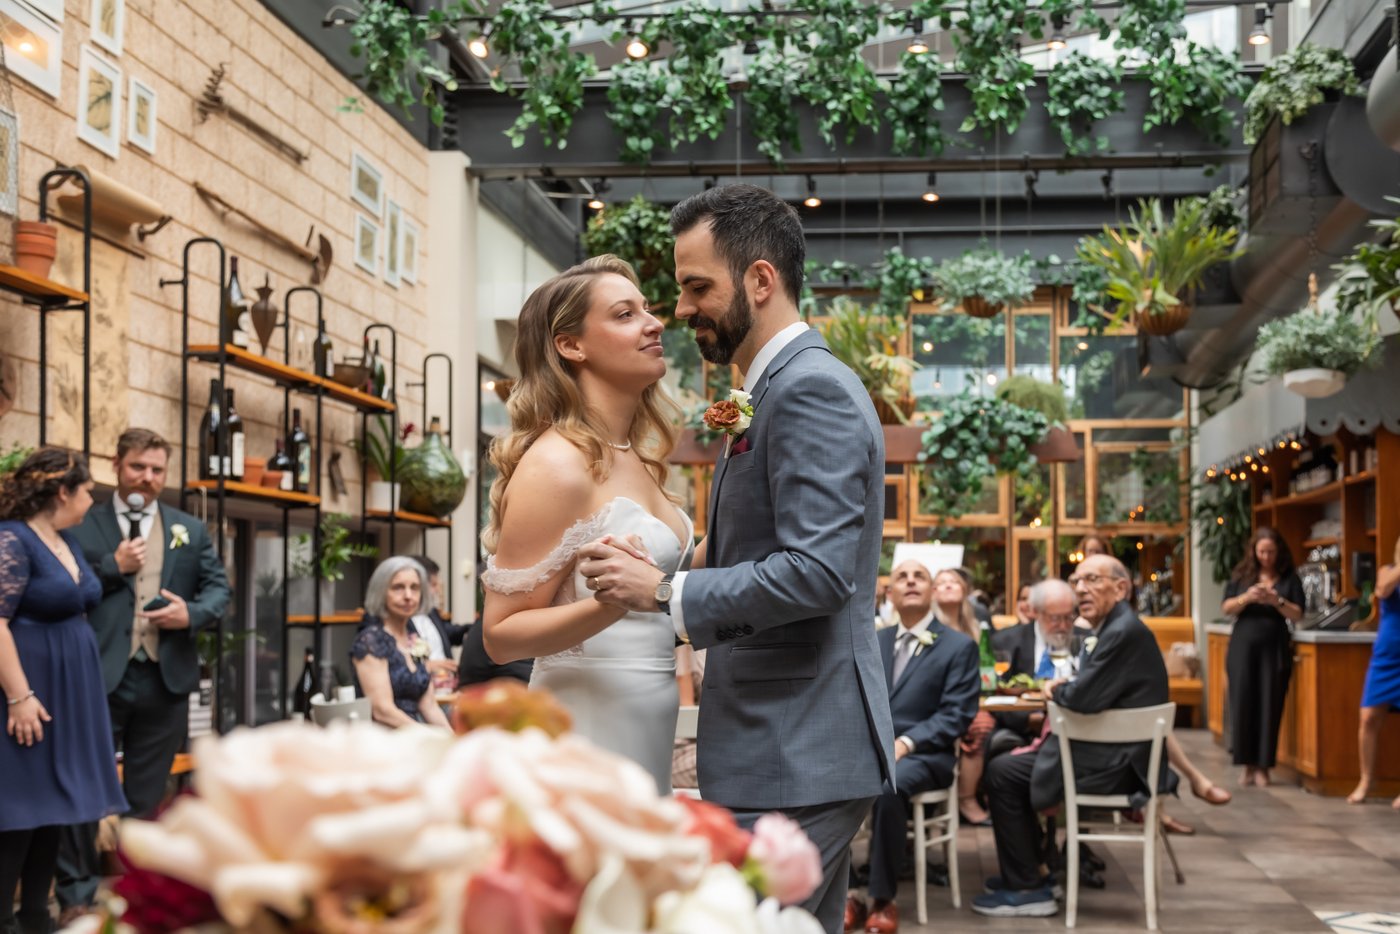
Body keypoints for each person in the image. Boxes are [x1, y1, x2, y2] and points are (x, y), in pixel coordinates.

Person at [577, 184, 895, 934]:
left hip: (796, 743)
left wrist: (665, 591)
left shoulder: (809, 388)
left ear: (760, 280)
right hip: (784, 739)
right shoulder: (767, 390)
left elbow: (818, 572)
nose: (679, 310)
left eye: (696, 288)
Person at [479, 254, 691, 793]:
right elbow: (500, 637)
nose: (654, 322)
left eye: (646, 310)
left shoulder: (635, 456)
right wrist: (606, 605)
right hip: (587, 734)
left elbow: (664, 581)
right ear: (571, 346)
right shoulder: (556, 464)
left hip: (646, 723)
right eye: (625, 314)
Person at [58, 429, 230, 920]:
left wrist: (190, 614)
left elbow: (219, 592)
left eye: (157, 470)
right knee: (82, 787)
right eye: (138, 467)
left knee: (147, 797)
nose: (148, 478)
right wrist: (112, 567)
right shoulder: (80, 523)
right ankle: (76, 896)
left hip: (165, 677)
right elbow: (60, 585)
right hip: (97, 675)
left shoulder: (187, 529)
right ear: (117, 465)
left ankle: (132, 899)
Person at [973, 555, 1178, 918]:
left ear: (1121, 588)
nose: (1081, 588)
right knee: (1008, 760)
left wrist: (1057, 690)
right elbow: (1092, 689)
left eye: (1093, 580)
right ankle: (1033, 871)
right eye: (1077, 580)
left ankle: (1028, 888)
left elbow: (1083, 698)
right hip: (1115, 755)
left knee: (1002, 772)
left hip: (1118, 766)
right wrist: (1069, 687)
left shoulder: (1122, 632)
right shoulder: (1117, 628)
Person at [0, 449, 126, 934]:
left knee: (55, 807)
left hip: (69, 693)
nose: (93, 498)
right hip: (29, 691)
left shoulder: (65, 541)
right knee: (19, 811)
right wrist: (19, 696)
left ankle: (37, 916)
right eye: (88, 489)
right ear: (62, 492)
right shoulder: (13, 539)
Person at [845, 559, 978, 934]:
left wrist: (906, 742)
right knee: (827, 779)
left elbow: (957, 715)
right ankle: (848, 893)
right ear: (890, 594)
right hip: (871, 751)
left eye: (919, 576)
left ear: (933, 591)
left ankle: (882, 901)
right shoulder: (873, 640)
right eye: (901, 577)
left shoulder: (959, 647)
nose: (910, 581)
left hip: (926, 754)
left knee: (890, 785)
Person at [1222, 527, 1303, 788]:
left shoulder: (1290, 577)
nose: (1266, 557)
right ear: (1254, 552)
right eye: (1261, 552)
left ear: (1278, 551)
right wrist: (1247, 597)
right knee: (1243, 701)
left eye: (1270, 552)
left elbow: (1298, 614)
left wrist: (1276, 600)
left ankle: (1264, 766)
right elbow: (1226, 607)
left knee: (1270, 702)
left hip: (1274, 647)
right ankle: (1246, 765)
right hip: (1243, 647)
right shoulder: (1242, 575)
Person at [351, 556, 451, 728]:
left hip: (413, 735)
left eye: (415, 588)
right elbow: (383, 712)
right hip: (384, 740)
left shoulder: (414, 638)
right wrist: (429, 737)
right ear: (381, 592)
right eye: (398, 588)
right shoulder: (370, 641)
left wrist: (452, 739)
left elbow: (429, 706)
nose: (408, 596)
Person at [929, 567, 993, 826]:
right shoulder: (929, 628)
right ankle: (962, 801)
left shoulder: (976, 628)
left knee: (983, 725)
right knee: (973, 724)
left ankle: (967, 797)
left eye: (953, 582)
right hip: (938, 706)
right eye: (941, 582)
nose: (947, 586)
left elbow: (986, 673)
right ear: (932, 592)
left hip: (974, 703)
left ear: (964, 590)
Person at [1348, 534, 1400, 807]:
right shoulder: (1387, 572)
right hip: (1387, 656)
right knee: (1368, 717)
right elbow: (1382, 591)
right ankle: (1366, 780)